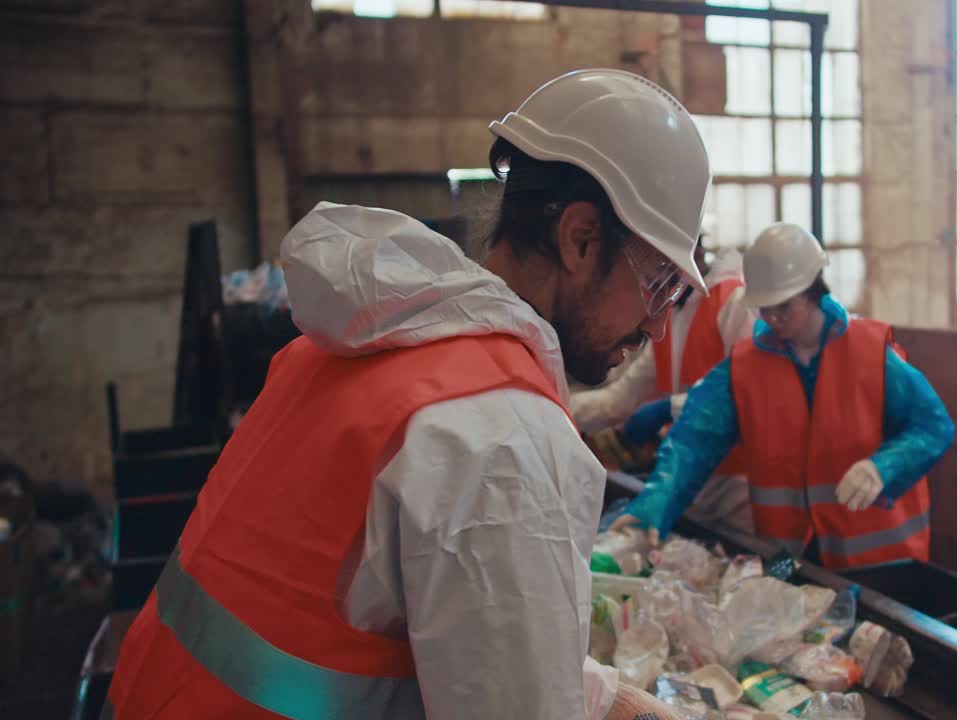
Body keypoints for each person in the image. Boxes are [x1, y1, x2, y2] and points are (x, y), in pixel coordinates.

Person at [105, 69, 711, 720]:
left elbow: (449, 638)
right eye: (657, 285)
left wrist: (613, 701)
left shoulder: (356, 347)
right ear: (580, 237)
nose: (656, 325)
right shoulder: (503, 437)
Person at [611, 223, 955, 570]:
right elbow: (693, 440)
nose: (772, 318)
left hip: (881, 561)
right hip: (793, 562)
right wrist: (655, 505)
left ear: (813, 291)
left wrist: (882, 467)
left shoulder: (871, 354)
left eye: (784, 307)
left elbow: (932, 426)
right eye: (764, 308)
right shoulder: (746, 368)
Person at [572, 237, 756, 530]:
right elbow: (619, 399)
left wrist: (669, 408)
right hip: (684, 481)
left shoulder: (733, 303)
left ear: (694, 253)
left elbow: (747, 394)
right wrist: (558, 407)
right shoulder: (670, 317)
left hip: (739, 489)